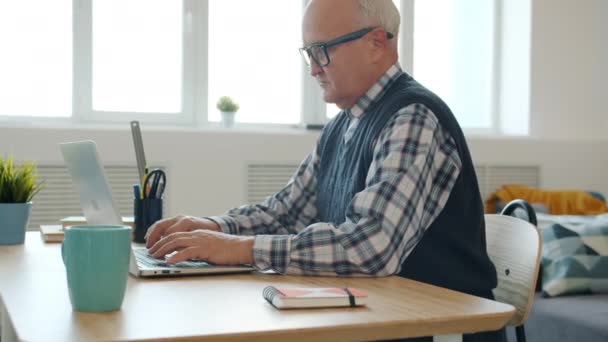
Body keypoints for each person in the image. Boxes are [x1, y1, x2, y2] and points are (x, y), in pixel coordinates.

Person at [146, 1, 503, 340]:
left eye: (323, 51)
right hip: (383, 319)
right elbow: (287, 212)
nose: (314, 68)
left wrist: (240, 248)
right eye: (308, 54)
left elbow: (370, 247)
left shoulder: (411, 117)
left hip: (439, 328)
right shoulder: (342, 125)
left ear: (376, 43)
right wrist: (211, 228)